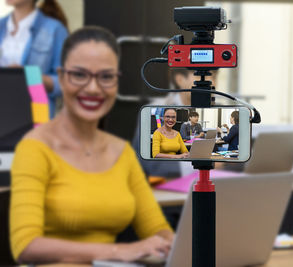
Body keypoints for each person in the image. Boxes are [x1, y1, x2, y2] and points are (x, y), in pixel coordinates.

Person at [10, 26, 173, 264]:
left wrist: (172, 243)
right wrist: (120, 252)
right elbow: (25, 245)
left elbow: (157, 228)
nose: (93, 88)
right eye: (79, 74)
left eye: (106, 77)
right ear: (62, 77)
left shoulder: (122, 152)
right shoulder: (34, 148)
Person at [0, 0, 69, 118]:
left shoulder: (55, 29)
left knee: (34, 136)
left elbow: (66, 81)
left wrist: (29, 76)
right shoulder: (1, 25)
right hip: (3, 107)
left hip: (37, 107)